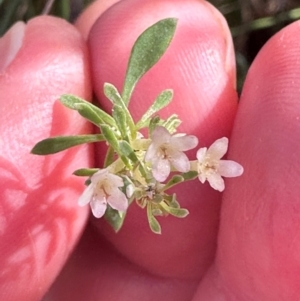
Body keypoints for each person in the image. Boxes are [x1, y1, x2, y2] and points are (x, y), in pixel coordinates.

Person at [1, 0, 299, 300]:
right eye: (103, 186)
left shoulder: (158, 164)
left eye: (102, 185)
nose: (204, 167)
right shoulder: (147, 161)